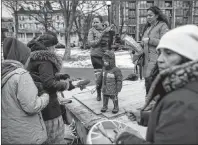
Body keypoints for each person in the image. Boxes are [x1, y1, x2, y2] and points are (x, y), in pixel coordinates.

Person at [115, 25, 198, 144]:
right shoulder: (184, 88)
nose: (160, 59)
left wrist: (125, 139)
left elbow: (179, 114)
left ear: (190, 58)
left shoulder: (182, 102)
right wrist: (144, 117)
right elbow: (175, 122)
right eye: (160, 52)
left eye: (168, 53)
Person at [26, 31, 76, 144]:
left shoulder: (35, 58)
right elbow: (49, 83)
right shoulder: (45, 60)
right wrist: (67, 85)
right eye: (54, 47)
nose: (55, 50)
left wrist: (59, 76)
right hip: (49, 106)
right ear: (49, 47)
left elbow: (41, 76)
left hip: (40, 101)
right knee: (54, 136)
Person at [1, 37, 49, 144]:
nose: (29, 61)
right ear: (22, 57)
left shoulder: (4, 72)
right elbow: (32, 106)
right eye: (28, 58)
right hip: (25, 136)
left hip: (9, 135)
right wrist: (45, 96)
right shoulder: (21, 75)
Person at [140, 6, 170, 94]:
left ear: (157, 15)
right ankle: (148, 103)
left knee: (153, 81)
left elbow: (165, 42)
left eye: (150, 15)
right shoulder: (148, 28)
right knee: (147, 81)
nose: (148, 17)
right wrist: (137, 45)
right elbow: (144, 42)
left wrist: (150, 40)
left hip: (157, 58)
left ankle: (154, 103)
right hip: (147, 59)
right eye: (147, 16)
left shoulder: (163, 26)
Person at [88, 15, 114, 101]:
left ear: (101, 23)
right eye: (93, 22)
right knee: (98, 77)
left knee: (108, 76)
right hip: (96, 56)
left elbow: (110, 41)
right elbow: (91, 43)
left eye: (97, 22)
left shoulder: (107, 30)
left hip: (106, 56)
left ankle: (108, 93)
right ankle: (98, 93)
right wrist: (101, 35)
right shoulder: (91, 31)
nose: (94, 24)